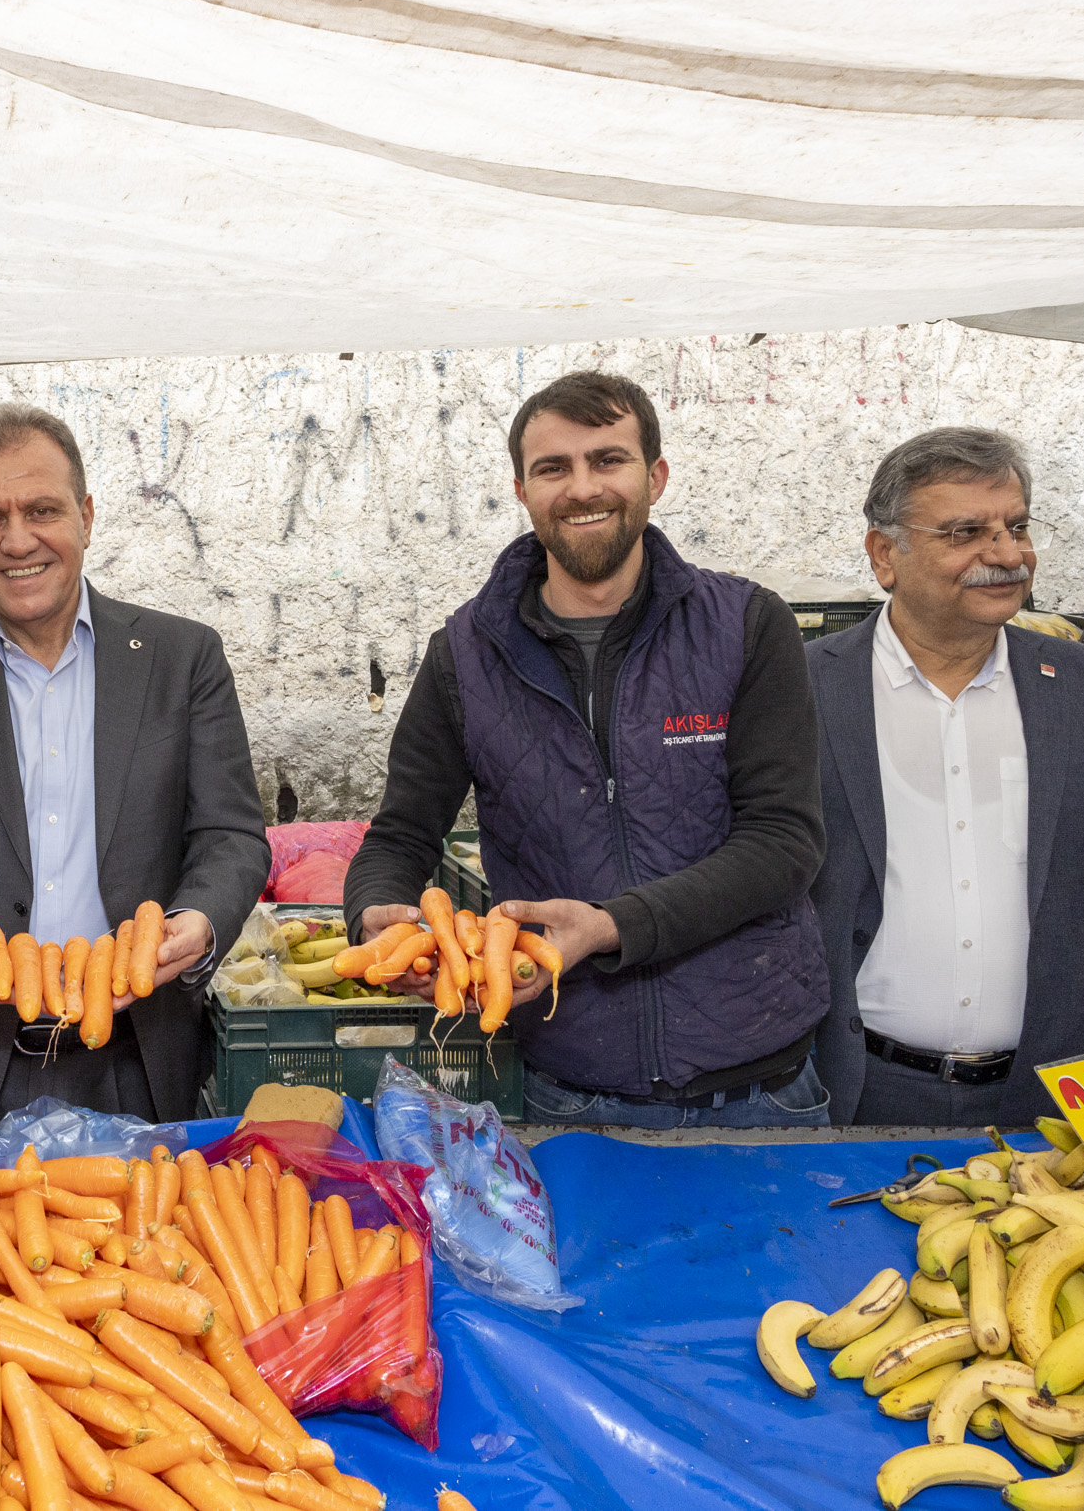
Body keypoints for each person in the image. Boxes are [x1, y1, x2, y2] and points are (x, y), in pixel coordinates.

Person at [345, 369, 831, 1128]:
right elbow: (402, 833)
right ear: (522, 489)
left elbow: (784, 842)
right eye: (553, 468)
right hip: (568, 1092)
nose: (582, 488)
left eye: (607, 459)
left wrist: (609, 926)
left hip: (758, 1088)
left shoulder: (746, 626)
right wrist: (379, 915)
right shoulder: (466, 655)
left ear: (655, 477)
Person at [0, 404, 269, 1125]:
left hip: (137, 1061)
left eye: (42, 508)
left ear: (84, 515)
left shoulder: (184, 658)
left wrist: (195, 922)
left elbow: (230, 835)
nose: (18, 540)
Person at [808, 428, 1084, 1124]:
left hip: (1061, 1100)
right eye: (966, 532)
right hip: (857, 1094)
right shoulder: (806, 692)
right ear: (885, 554)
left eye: (1016, 526)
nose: (1007, 554)